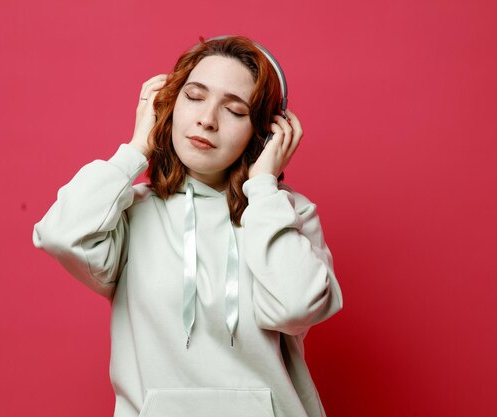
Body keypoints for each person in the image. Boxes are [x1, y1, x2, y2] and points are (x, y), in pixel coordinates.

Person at [33, 35, 343, 417]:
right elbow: (62, 236)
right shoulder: (130, 212)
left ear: (262, 133)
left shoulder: (285, 213)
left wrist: (264, 186)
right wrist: (134, 150)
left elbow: (296, 307)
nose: (206, 120)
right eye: (194, 97)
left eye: (234, 110)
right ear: (169, 104)